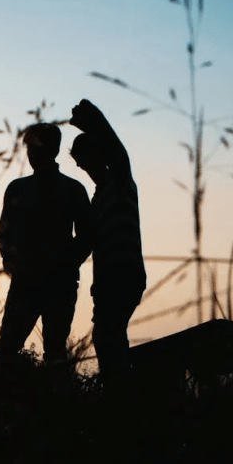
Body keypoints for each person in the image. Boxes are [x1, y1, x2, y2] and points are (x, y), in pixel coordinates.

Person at [0, 123, 91, 366]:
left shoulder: (72, 190)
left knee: (55, 352)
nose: (31, 154)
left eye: (36, 147)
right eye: (29, 148)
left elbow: (87, 236)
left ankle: (51, 401)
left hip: (59, 283)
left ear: (54, 149)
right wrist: (13, 263)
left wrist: (65, 265)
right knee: (7, 348)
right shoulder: (18, 188)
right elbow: (5, 234)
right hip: (27, 281)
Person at [69, 99, 146, 385]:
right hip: (105, 281)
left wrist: (90, 118)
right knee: (107, 338)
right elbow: (85, 244)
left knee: (108, 335)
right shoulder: (97, 200)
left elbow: (117, 150)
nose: (85, 167)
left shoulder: (122, 181)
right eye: (80, 163)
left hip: (124, 273)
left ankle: (122, 395)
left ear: (97, 154)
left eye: (86, 159)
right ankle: (119, 392)